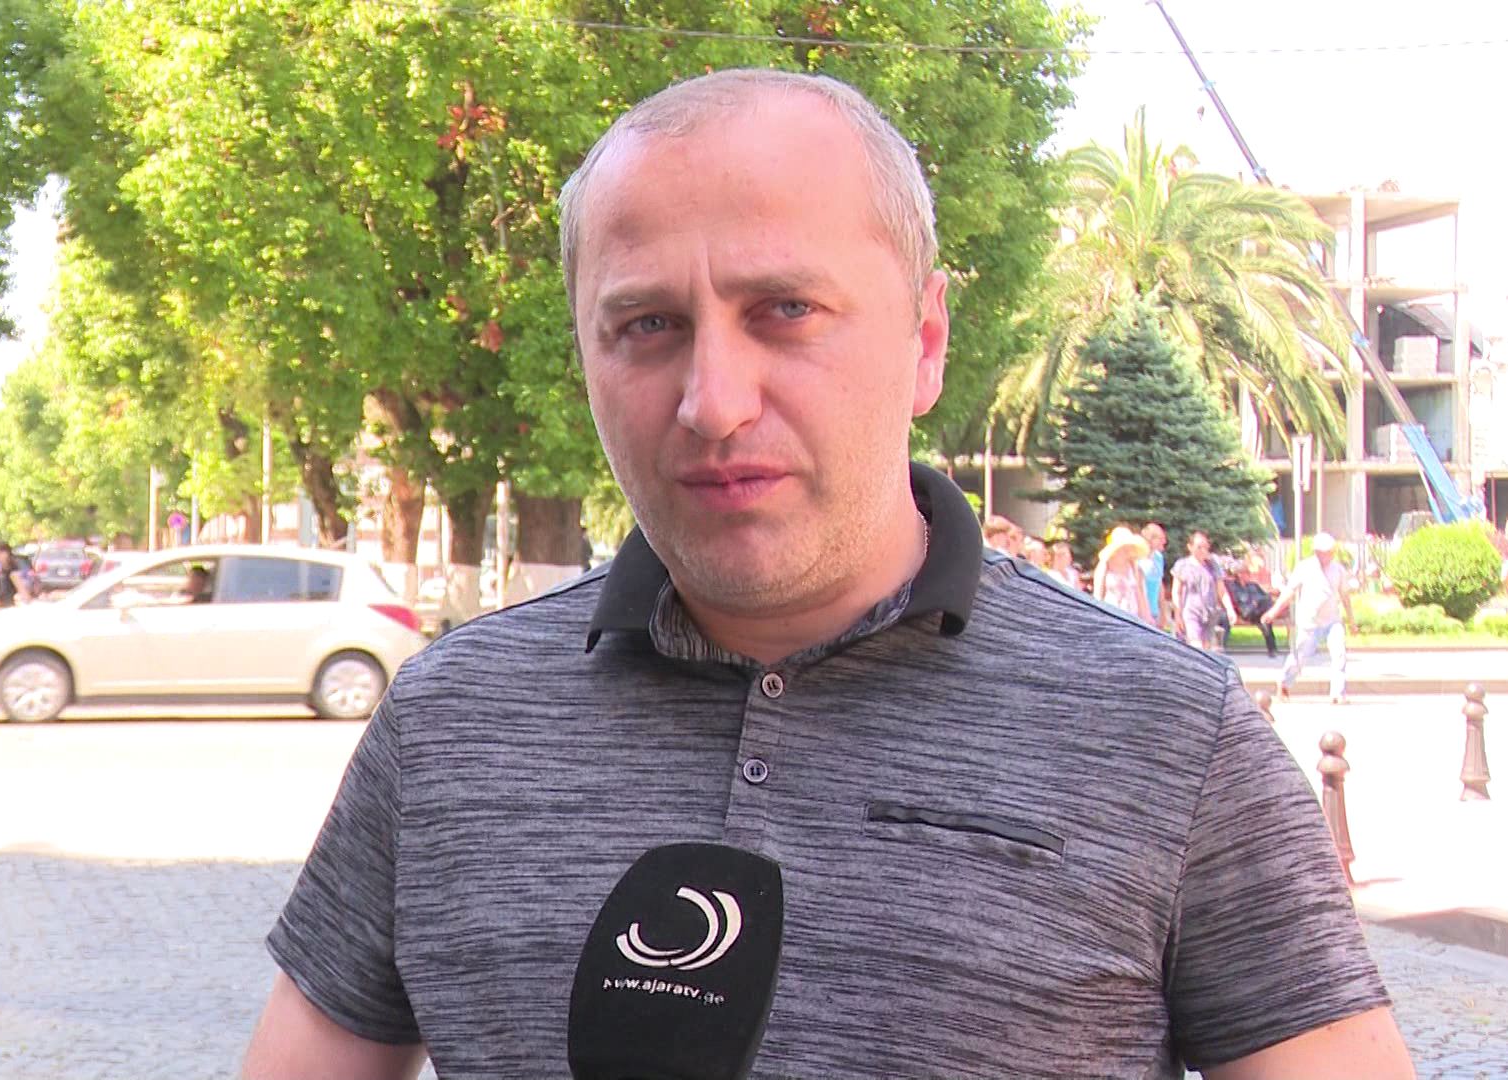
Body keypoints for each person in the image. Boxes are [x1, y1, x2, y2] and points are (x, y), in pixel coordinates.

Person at [244, 70, 1406, 1080]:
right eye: (647, 325)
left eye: (785, 310)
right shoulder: (447, 723)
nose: (714, 402)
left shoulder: (1172, 736)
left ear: (926, 340)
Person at [1264, 532, 1358, 704]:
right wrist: (1273, 611)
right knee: (1300, 656)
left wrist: (1351, 621)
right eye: (1321, 552)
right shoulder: (1304, 568)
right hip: (1309, 621)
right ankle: (1284, 683)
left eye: (1328, 552)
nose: (1325, 556)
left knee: (1339, 654)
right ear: (1316, 552)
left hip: (1332, 620)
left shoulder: (1338, 569)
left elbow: (1345, 596)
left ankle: (1337, 693)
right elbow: (1290, 591)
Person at [1171, 531, 1241, 652]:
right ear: (1190, 547)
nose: (1203, 550)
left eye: (1205, 547)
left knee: (1207, 649)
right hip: (1190, 611)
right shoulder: (1182, 565)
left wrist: (1230, 609)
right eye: (1199, 547)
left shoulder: (1213, 565)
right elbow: (1176, 592)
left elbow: (1221, 590)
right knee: (1195, 646)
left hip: (1210, 612)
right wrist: (1178, 615)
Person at [1092, 525, 1154, 623]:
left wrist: (1146, 617)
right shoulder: (1105, 565)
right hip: (1111, 616)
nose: (1128, 549)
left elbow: (1140, 594)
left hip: (1132, 616)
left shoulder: (1134, 566)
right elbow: (1098, 595)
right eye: (1125, 546)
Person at [1140, 522, 1172, 632]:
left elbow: (1159, 585)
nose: (1164, 542)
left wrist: (1163, 613)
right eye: (1161, 538)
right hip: (1138, 613)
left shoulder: (1158, 557)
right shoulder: (1137, 558)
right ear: (1150, 539)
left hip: (1154, 612)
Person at [0, 543, 21, 609]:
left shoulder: (11, 568)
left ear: (5, 553)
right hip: (1, 603)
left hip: (8, 603)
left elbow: (18, 584)